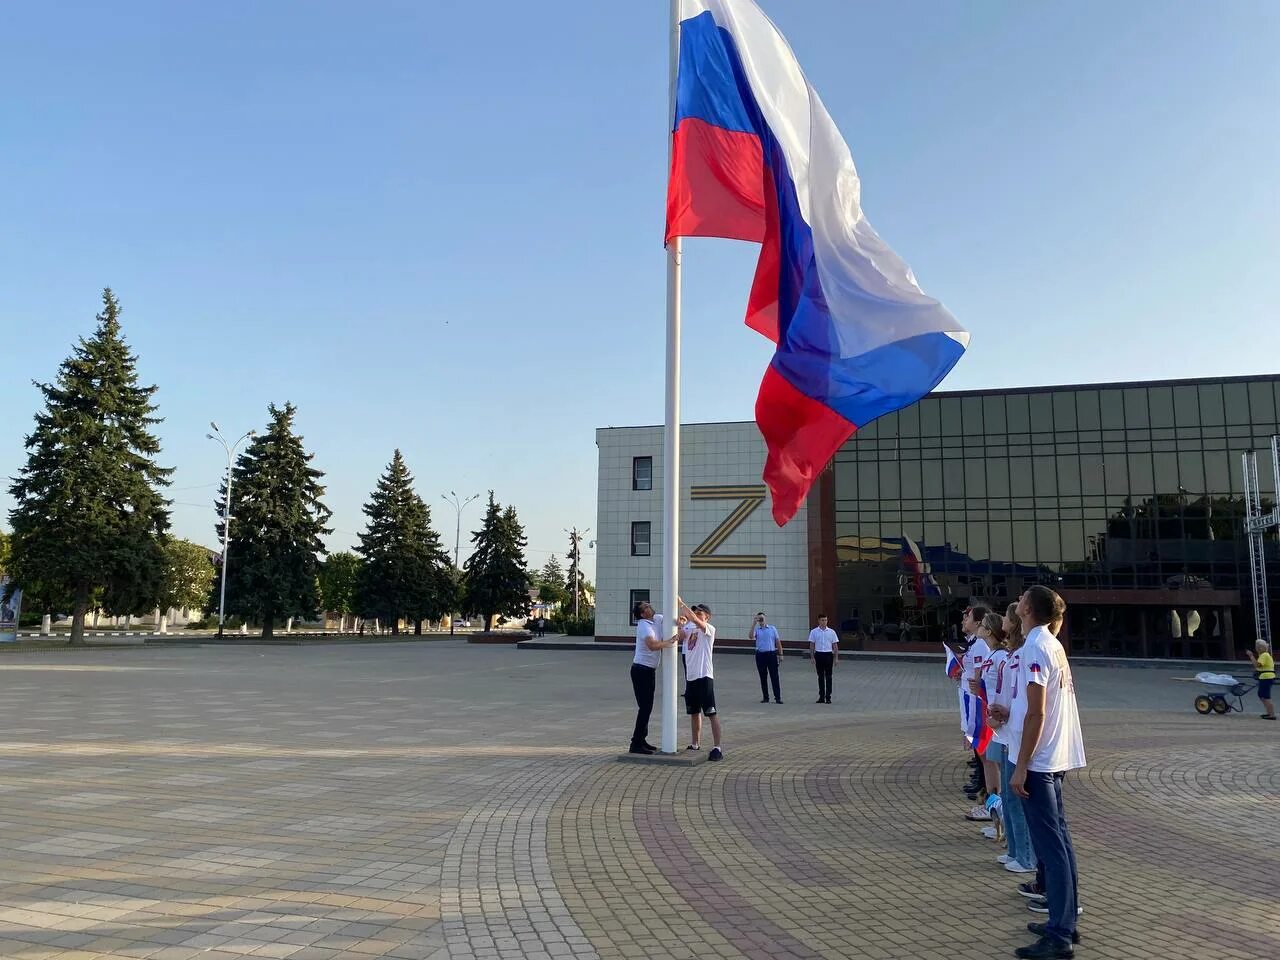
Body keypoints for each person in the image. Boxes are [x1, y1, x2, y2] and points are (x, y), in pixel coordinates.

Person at [1009, 586, 1084, 959]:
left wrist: (1021, 766)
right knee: (1060, 840)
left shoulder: (1037, 646)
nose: (1017, 601)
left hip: (1040, 760)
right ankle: (1065, 919)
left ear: (1028, 609)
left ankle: (1060, 935)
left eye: (1021, 598)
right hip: (1054, 756)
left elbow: (1037, 711)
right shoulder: (1050, 643)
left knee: (1051, 847)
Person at [987, 606, 1037, 875]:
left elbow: (1027, 701)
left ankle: (1026, 855)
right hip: (1007, 731)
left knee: (1016, 799)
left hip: (1015, 736)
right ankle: (1016, 851)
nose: (1003, 620)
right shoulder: (1012, 655)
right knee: (1008, 797)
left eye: (1007, 617)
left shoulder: (1023, 655)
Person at [628, 600, 678, 754]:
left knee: (647, 707)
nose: (650, 607)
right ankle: (636, 743)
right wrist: (669, 642)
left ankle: (641, 740)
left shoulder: (656, 618)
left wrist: (681, 618)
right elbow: (652, 645)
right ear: (643, 614)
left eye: (648, 605)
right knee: (645, 707)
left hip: (649, 670)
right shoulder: (644, 626)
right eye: (646, 607)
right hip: (641, 670)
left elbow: (672, 619)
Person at [681, 601, 723, 761]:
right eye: (695, 613)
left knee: (711, 712)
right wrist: (680, 622)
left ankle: (717, 747)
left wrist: (681, 604)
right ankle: (695, 743)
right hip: (691, 677)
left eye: (700, 613)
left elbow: (695, 620)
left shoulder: (709, 629)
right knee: (694, 712)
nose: (696, 616)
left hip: (704, 676)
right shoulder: (690, 629)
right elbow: (679, 635)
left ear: (707, 617)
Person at [750, 611, 783, 704]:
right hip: (760, 655)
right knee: (763, 677)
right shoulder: (757, 630)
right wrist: (753, 624)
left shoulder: (772, 629)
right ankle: (765, 697)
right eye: (759, 619)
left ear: (765, 618)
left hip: (771, 654)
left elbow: (777, 642)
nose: (761, 620)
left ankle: (778, 697)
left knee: (774, 676)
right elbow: (750, 636)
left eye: (762, 618)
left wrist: (781, 654)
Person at [808, 615, 839, 704]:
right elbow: (812, 645)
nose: (824, 622)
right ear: (819, 621)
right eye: (822, 620)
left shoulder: (831, 632)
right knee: (820, 677)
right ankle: (821, 696)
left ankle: (828, 697)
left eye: (825, 620)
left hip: (828, 655)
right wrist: (812, 657)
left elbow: (835, 646)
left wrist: (836, 658)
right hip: (819, 654)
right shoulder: (814, 632)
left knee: (828, 677)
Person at [1245, 639, 1276, 720]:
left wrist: (1251, 656)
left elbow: (1257, 665)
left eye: (1257, 647)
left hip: (1266, 677)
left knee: (1265, 696)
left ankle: (1272, 714)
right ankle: (1269, 713)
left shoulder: (1264, 655)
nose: (1256, 649)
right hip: (1266, 677)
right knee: (1261, 695)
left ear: (1260, 648)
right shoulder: (1265, 655)